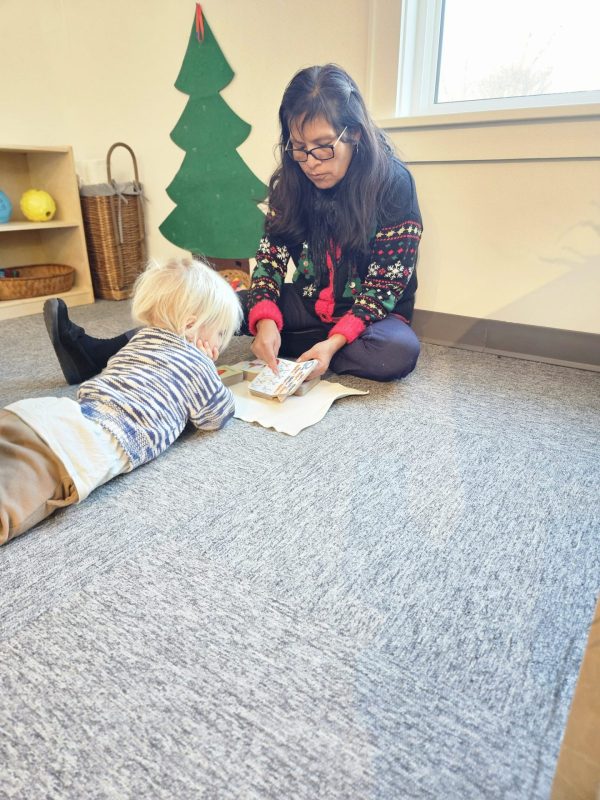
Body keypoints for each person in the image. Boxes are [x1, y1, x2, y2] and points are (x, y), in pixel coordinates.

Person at [43, 63, 422, 384]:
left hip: (375, 318)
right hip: (309, 303)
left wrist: (335, 340)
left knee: (395, 353)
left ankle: (319, 348)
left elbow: (384, 287)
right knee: (210, 305)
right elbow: (269, 262)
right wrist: (266, 320)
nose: (311, 162)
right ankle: (100, 353)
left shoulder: (392, 184)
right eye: (299, 147)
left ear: (354, 133)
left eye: (323, 146)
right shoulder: (292, 182)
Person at [0, 258, 242, 545]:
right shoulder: (197, 364)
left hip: (48, 412)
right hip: (74, 448)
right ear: (191, 325)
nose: (220, 343)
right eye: (220, 333)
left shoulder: (138, 341)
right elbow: (216, 416)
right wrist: (208, 367)